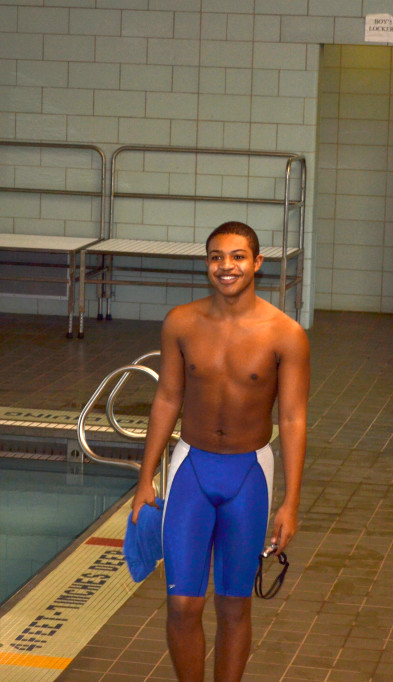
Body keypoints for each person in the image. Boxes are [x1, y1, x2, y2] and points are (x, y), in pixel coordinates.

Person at [130, 220, 310, 681]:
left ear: (257, 263)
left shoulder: (285, 334)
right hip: (192, 467)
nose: (225, 266)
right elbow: (168, 398)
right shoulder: (182, 323)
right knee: (183, 603)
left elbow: (291, 419)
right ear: (206, 262)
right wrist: (145, 479)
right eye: (216, 257)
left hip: (249, 474)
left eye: (236, 257)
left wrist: (290, 503)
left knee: (234, 605)